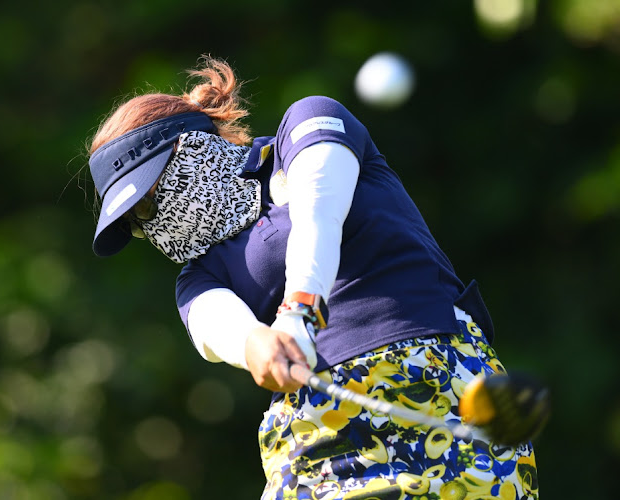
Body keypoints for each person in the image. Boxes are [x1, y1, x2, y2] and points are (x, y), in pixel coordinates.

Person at [87, 56, 539, 499]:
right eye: (136, 221)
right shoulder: (197, 276)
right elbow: (219, 328)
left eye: (147, 201)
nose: (152, 224)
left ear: (190, 146)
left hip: (436, 385)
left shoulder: (305, 126)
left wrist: (298, 311)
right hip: (317, 439)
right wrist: (257, 346)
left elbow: (318, 217)